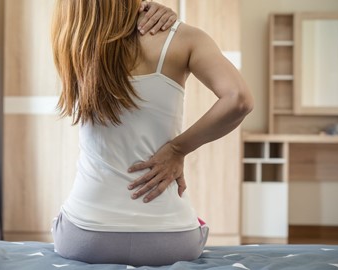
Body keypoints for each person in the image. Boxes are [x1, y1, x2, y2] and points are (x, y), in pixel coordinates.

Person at [51, 0, 253, 266]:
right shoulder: (182, 37)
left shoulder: (73, 42)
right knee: (194, 223)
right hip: (170, 240)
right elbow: (239, 99)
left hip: (86, 238)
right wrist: (177, 149)